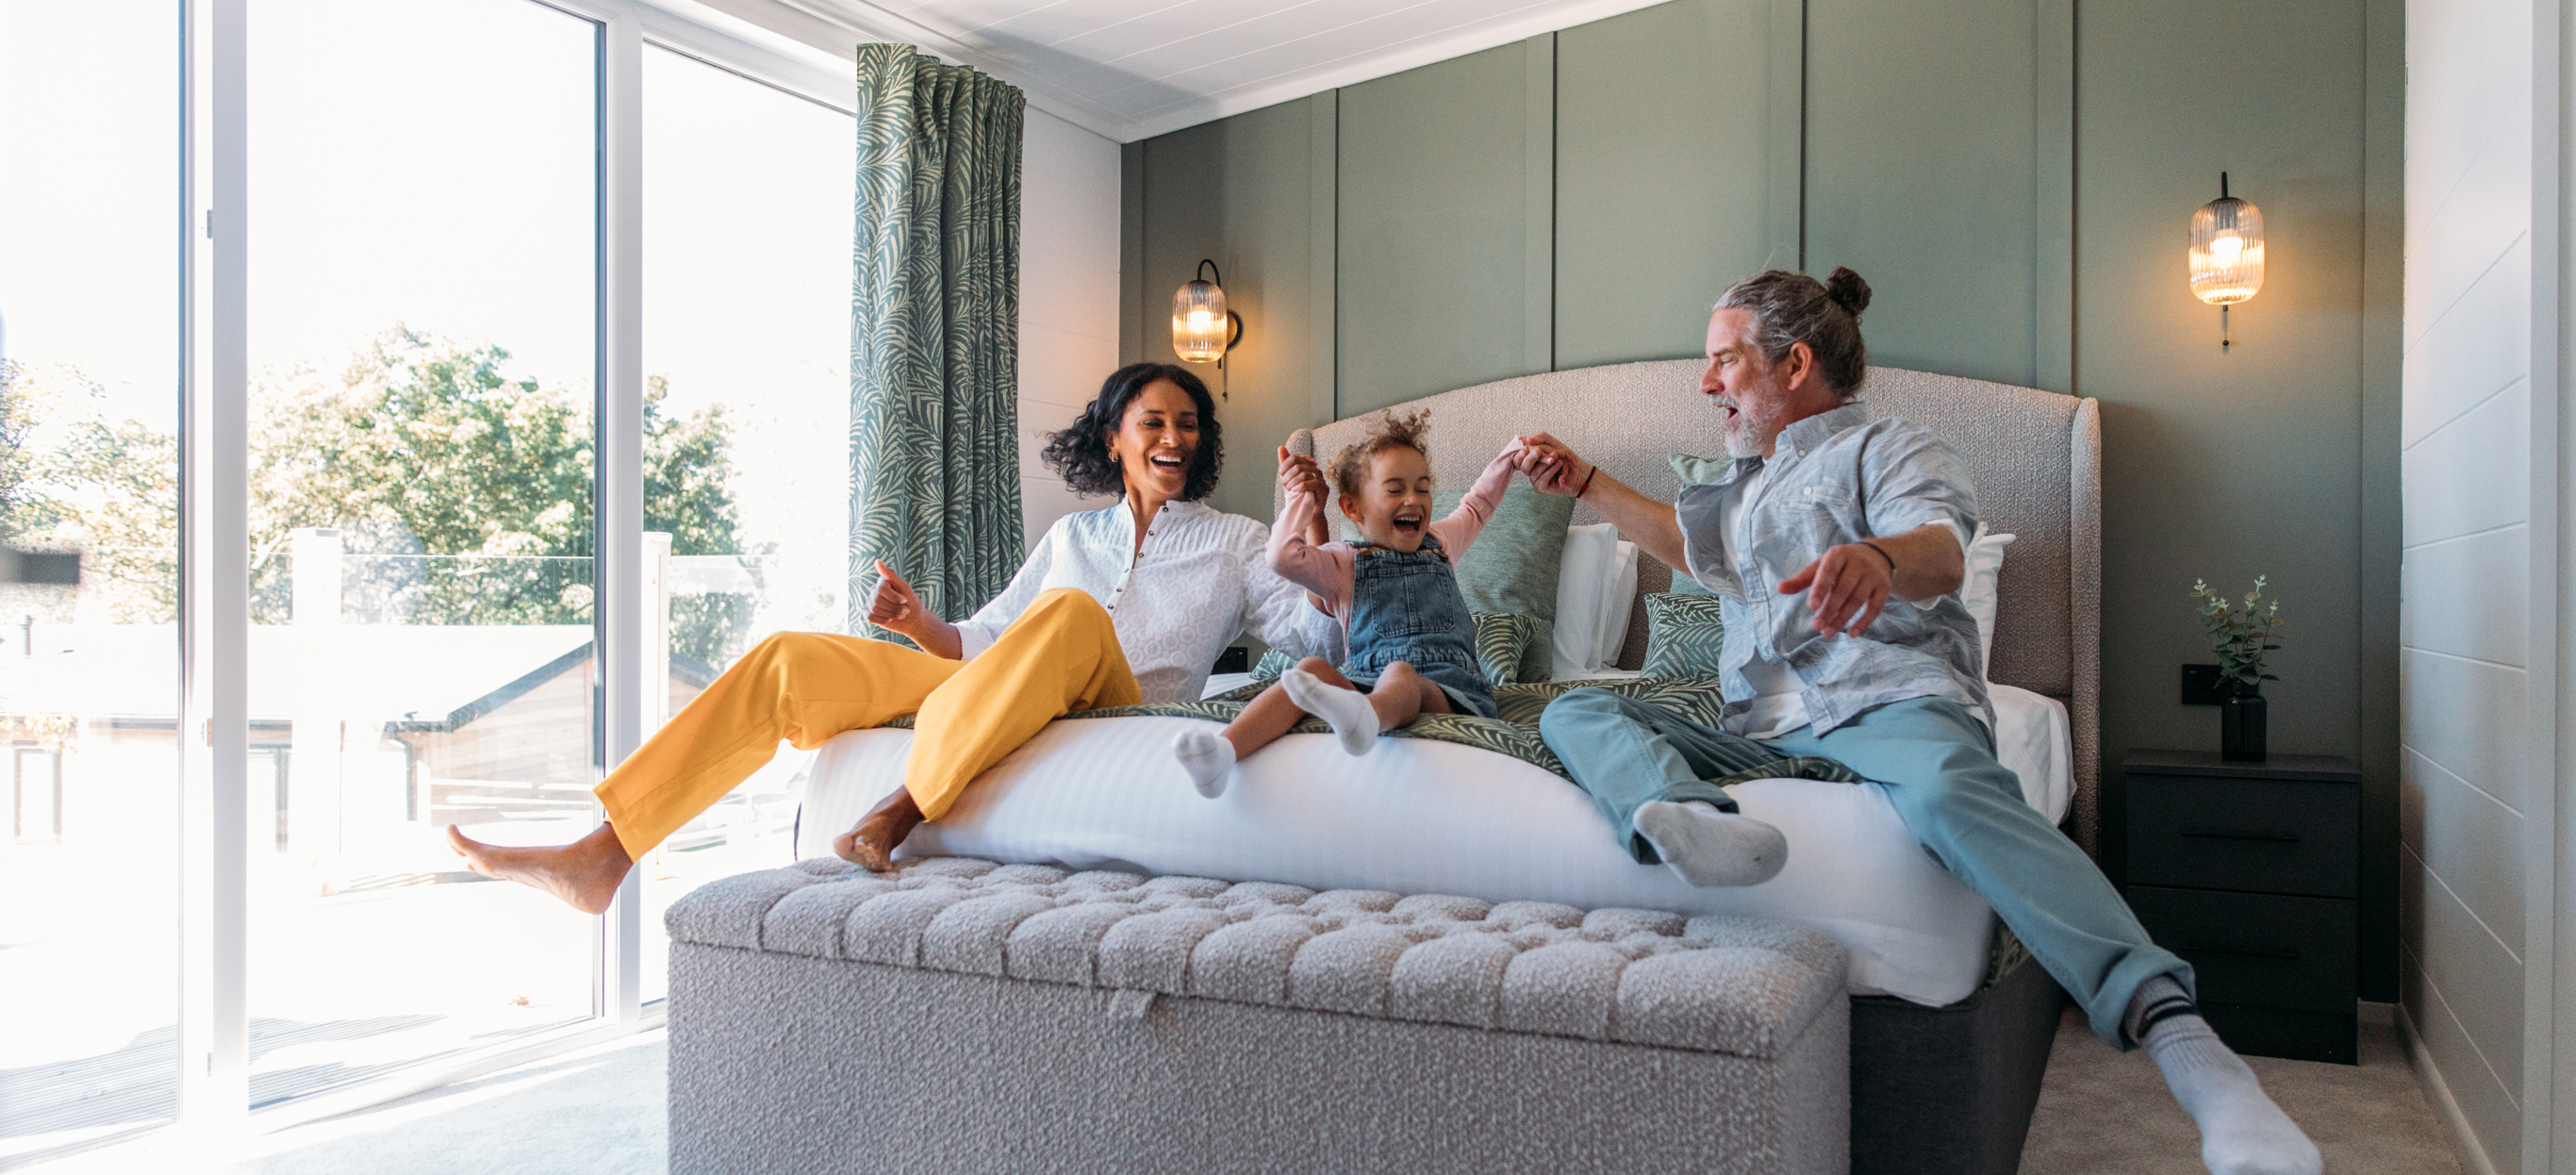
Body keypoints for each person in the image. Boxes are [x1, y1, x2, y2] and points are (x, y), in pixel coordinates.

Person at [1513, 268, 2321, 1175]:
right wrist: (1584, 481)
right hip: (1760, 736)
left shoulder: (1893, 449)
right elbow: (1693, 551)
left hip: (1882, 703)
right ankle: (1694, 817)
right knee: (1580, 707)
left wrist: (1875, 559)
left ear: (1794, 364)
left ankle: (2189, 1050)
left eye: (1722, 362)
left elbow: (1940, 549)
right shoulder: (1743, 488)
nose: (1705, 384)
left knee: (1947, 792)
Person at [447, 363, 1333, 911]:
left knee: (1069, 616)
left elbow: (1311, 621)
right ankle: (605, 852)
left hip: (1116, 707)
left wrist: (1313, 520)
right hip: (1016, 688)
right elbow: (982, 638)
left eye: (1188, 425)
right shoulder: (1074, 538)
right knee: (793, 658)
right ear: (1115, 437)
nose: (1174, 436)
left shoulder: (1237, 541)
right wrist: (922, 626)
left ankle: (898, 810)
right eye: (1155, 422)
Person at [1171, 410, 1530, 797]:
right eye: (1395, 490)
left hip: (1449, 693)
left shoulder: (1440, 543)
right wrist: (1301, 502)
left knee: (1401, 674)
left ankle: (1369, 718)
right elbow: (1281, 557)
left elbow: (1476, 506)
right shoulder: (1342, 562)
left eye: (1423, 488)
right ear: (1353, 509)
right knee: (1311, 669)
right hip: (1363, 678)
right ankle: (1223, 753)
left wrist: (1510, 457)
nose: (1414, 499)